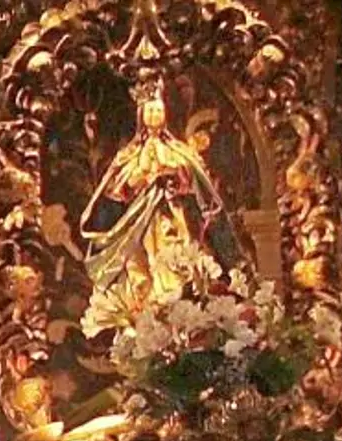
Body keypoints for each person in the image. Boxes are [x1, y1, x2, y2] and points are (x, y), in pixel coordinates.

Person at [78, 81, 239, 320]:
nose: (154, 115)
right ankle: (153, 302)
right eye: (150, 111)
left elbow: (198, 185)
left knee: (180, 256)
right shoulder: (129, 155)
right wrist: (142, 180)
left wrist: (174, 181)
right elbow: (117, 189)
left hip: (176, 213)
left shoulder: (180, 151)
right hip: (142, 219)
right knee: (148, 260)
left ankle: (183, 298)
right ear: (141, 116)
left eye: (158, 110)